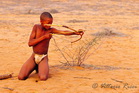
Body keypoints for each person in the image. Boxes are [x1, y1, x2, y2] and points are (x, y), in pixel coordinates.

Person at [18, 12, 83, 80]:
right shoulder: (36, 27)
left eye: (51, 23)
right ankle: (35, 66)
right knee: (21, 77)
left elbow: (63, 32)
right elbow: (30, 43)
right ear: (41, 22)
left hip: (43, 57)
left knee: (43, 78)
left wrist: (75, 33)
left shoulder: (51, 30)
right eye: (48, 23)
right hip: (34, 57)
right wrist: (44, 37)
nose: (50, 25)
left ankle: (39, 66)